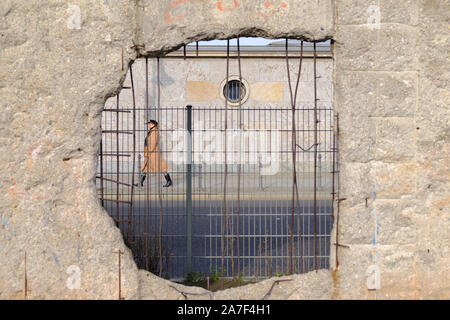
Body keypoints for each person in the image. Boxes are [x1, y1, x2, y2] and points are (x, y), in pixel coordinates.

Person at [136, 120, 173, 187]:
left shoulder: (154, 132)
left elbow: (153, 143)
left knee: (162, 167)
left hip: (153, 153)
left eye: (150, 123)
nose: (148, 125)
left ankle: (169, 181)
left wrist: (148, 151)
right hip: (151, 152)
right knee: (146, 167)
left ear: (153, 124)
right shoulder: (152, 131)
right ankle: (140, 182)